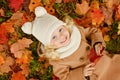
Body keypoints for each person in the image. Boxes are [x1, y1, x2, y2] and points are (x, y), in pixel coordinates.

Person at [21, 6, 120, 80]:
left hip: (108, 62)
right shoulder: (58, 60)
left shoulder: (76, 33)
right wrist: (82, 73)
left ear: (64, 26)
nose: (61, 36)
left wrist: (97, 43)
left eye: (60, 30)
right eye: (54, 37)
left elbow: (92, 32)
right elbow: (66, 77)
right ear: (49, 45)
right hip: (96, 76)